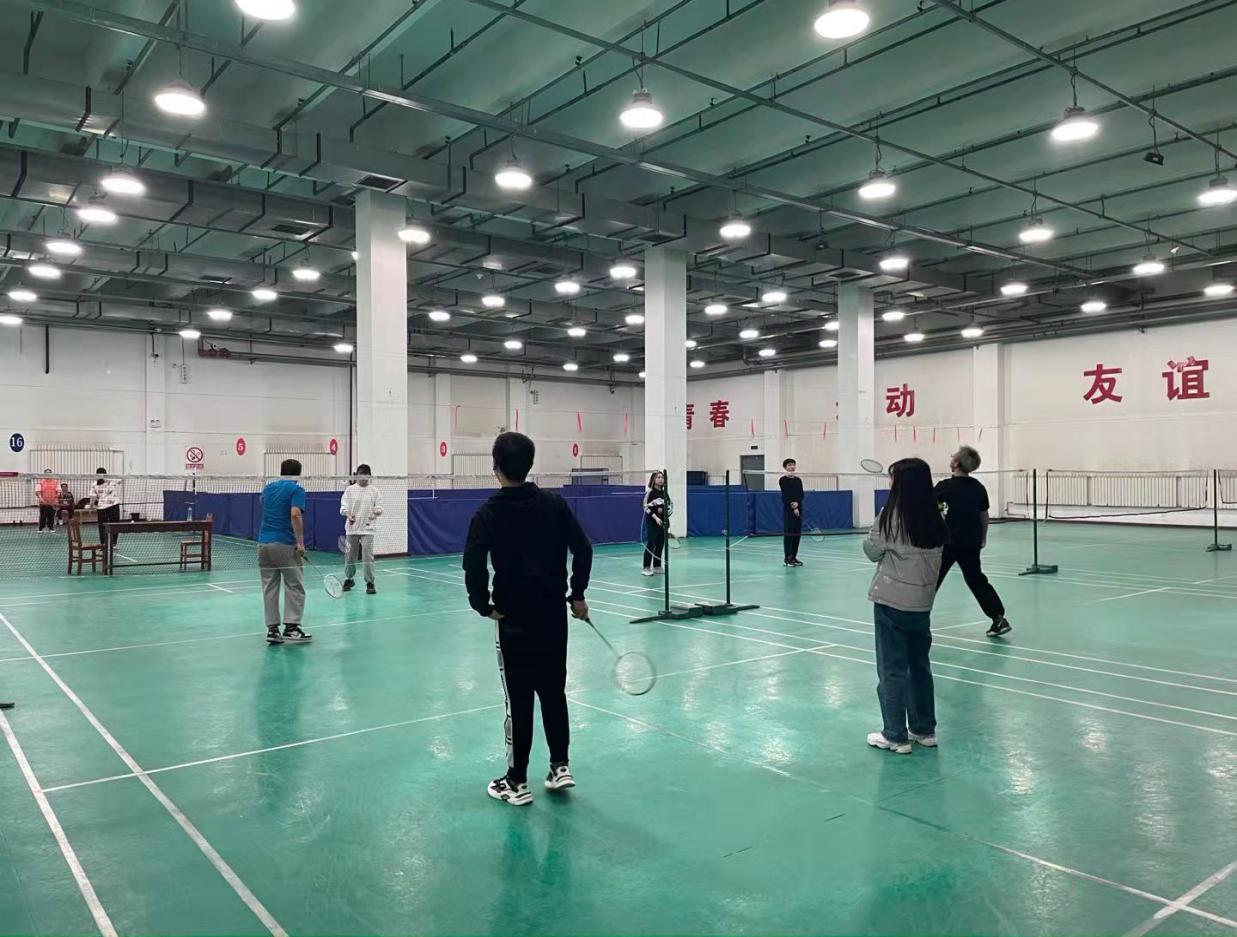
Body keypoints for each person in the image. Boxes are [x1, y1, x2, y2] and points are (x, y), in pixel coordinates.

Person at [463, 432, 593, 807]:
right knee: (553, 692)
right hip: (552, 617)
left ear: (496, 467)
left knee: (519, 701)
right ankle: (559, 766)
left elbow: (473, 564)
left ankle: (517, 782)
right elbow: (583, 549)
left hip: (513, 619)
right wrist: (577, 594)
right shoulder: (554, 504)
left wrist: (482, 605)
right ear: (530, 464)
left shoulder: (487, 513)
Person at [863, 457, 948, 755]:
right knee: (919, 667)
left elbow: (872, 551)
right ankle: (924, 730)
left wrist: (876, 528)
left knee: (892, 670)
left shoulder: (891, 516)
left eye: (893, 478)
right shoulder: (936, 517)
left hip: (892, 603)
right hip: (922, 605)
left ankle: (895, 735)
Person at [934, 446, 1011, 638]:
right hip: (971, 541)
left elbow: (932, 511)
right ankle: (998, 618)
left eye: (953, 457)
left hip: (947, 542)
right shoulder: (978, 487)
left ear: (956, 463)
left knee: (931, 580)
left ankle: (915, 619)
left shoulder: (944, 486)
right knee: (976, 579)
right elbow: (983, 515)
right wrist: (983, 537)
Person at [258, 459, 311, 646]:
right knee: (295, 585)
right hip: (284, 544)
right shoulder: (297, 490)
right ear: (298, 474)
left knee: (269, 587)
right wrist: (300, 542)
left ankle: (272, 630)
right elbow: (295, 513)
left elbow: (266, 506)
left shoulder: (268, 488)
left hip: (264, 544)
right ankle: (291, 628)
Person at [340, 463, 384, 594]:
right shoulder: (349, 490)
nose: (363, 479)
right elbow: (343, 508)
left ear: (369, 476)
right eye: (361, 475)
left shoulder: (374, 491)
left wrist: (376, 512)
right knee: (350, 556)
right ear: (356, 475)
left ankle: (370, 582)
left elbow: (379, 507)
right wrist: (348, 514)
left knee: (367, 557)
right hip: (352, 529)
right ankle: (349, 578)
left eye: (366, 476)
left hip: (368, 529)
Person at [90, 468, 122, 559]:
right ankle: (113, 543)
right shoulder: (110, 481)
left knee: (102, 526)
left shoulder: (95, 484)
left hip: (103, 507)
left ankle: (103, 544)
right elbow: (120, 480)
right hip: (112, 506)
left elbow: (92, 497)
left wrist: (91, 506)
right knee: (114, 525)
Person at [641, 470, 667, 576]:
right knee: (651, 543)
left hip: (662, 523)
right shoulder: (650, 493)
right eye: (658, 477)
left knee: (660, 543)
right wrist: (656, 518)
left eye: (662, 477)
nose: (660, 479)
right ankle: (646, 567)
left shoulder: (665, 493)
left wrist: (665, 516)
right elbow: (645, 507)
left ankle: (657, 566)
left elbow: (670, 506)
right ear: (653, 479)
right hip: (652, 522)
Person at [779, 458, 804, 567]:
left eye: (793, 464)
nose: (792, 467)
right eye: (789, 465)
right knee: (789, 534)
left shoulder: (798, 480)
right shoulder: (783, 480)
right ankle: (787, 559)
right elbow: (786, 495)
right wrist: (793, 506)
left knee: (797, 535)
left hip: (799, 509)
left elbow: (801, 494)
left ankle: (794, 557)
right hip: (789, 510)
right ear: (785, 467)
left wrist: (798, 504)